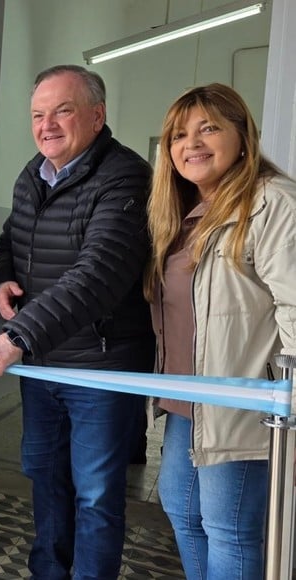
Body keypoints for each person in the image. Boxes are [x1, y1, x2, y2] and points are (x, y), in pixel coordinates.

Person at [0, 64, 154, 579]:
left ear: (97, 116)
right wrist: (3, 278)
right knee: (46, 477)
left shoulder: (127, 177)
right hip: (44, 361)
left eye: (62, 111)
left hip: (101, 365)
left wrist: (17, 336)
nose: (46, 125)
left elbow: (99, 274)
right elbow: (10, 240)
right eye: (37, 115)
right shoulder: (33, 174)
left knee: (95, 493)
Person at [146, 83, 296, 580]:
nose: (191, 143)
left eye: (208, 128)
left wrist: (293, 407)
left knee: (228, 528)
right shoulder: (182, 213)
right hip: (187, 401)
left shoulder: (272, 203)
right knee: (182, 510)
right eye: (179, 135)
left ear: (242, 136)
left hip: (241, 405)